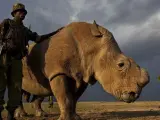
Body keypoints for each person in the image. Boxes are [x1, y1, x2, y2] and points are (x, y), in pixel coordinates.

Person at [0, 3, 63, 120]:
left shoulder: (25, 31)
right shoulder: (6, 23)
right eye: (20, 12)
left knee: (16, 88)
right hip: (4, 57)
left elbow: (38, 38)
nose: (22, 14)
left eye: (23, 12)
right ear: (14, 13)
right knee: (1, 85)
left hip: (18, 60)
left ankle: (11, 114)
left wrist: (54, 33)